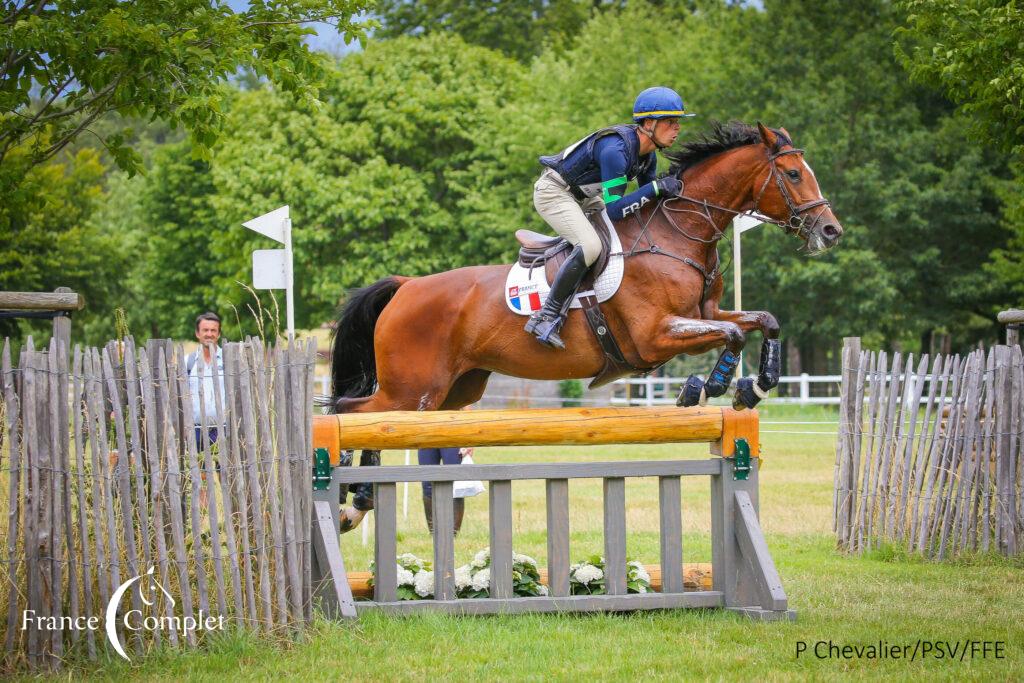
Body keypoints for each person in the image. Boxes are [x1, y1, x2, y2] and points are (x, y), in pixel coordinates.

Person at [525, 86, 694, 350]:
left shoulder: (646, 156)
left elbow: (647, 203)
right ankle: (546, 316)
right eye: (671, 122)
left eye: (677, 123)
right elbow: (616, 210)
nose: (677, 129)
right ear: (648, 123)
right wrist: (656, 188)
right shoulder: (616, 150)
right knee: (591, 246)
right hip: (555, 193)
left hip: (585, 196)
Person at [187, 311, 225, 507]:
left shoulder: (227, 361)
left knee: (226, 474)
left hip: (222, 427)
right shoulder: (189, 362)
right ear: (197, 333)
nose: (209, 334)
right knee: (199, 476)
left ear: (218, 334)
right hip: (196, 427)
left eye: (213, 330)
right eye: (205, 330)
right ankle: (203, 515)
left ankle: (229, 515)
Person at [418, 445, 471, 536]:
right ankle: (433, 533)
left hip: (453, 435)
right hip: (426, 437)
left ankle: (453, 534)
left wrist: (468, 443)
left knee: (456, 484)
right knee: (427, 485)